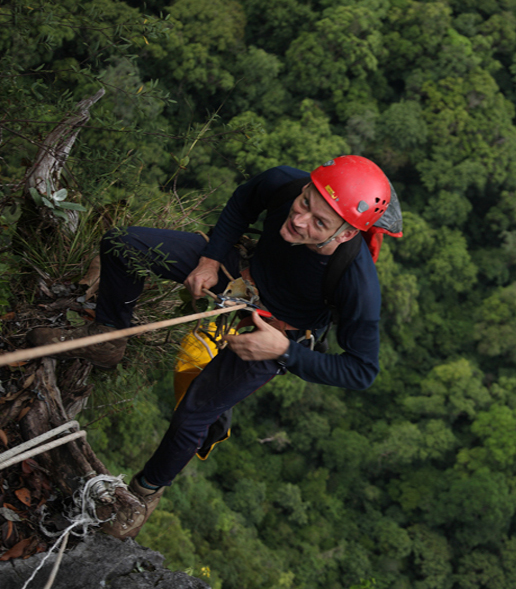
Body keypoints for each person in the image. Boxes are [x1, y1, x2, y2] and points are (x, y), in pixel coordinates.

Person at [27, 156, 402, 539]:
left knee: (194, 414)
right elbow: (243, 202)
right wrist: (208, 261)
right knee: (124, 245)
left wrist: (283, 352)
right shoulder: (285, 184)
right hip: (237, 275)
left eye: (319, 222)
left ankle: (143, 495)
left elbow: (361, 370)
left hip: (275, 333)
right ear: (307, 187)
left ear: (344, 235)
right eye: (306, 202)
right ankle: (108, 339)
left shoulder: (357, 283)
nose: (300, 219)